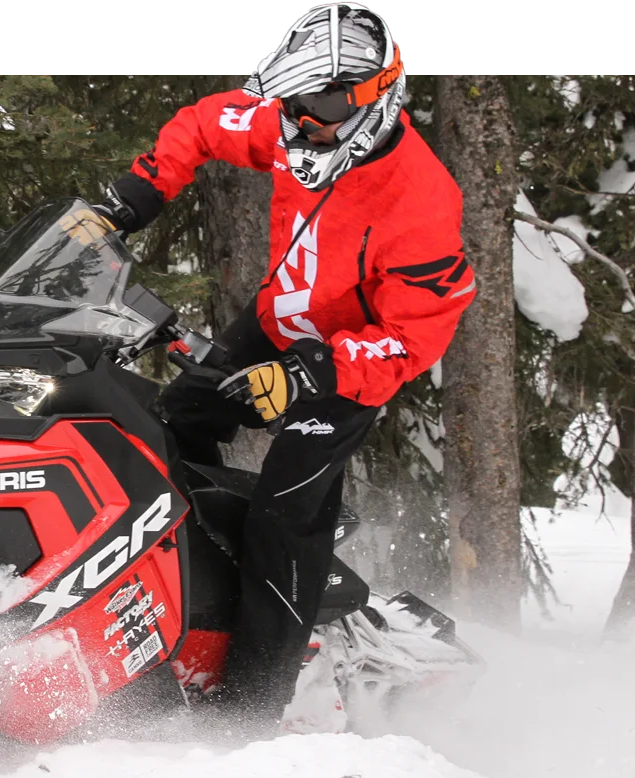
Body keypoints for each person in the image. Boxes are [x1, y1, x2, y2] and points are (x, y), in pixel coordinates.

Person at [96, 1, 477, 725]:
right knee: (172, 427)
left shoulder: (423, 202)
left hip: (348, 365)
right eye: (296, 97)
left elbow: (413, 337)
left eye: (325, 101)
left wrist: (312, 374)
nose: (304, 117)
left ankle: (252, 706)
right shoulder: (296, 127)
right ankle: (184, 600)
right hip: (277, 324)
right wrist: (137, 194)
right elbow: (206, 123)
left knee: (285, 516)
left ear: (377, 93)